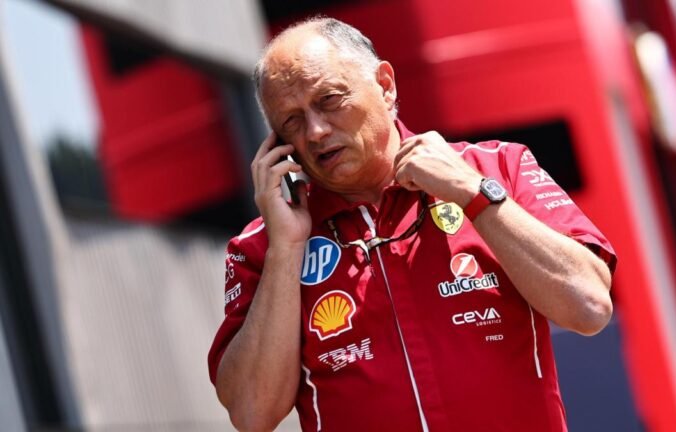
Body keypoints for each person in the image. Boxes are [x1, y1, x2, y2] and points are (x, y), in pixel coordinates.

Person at [208, 16, 616, 432]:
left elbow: (589, 308)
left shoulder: (498, 168)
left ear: (385, 86)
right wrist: (285, 250)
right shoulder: (263, 245)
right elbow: (251, 413)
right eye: (291, 121)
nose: (314, 131)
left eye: (329, 99)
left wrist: (472, 192)